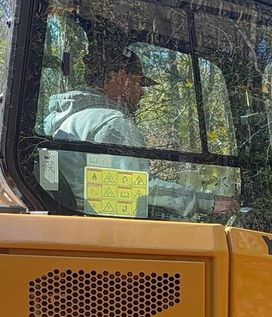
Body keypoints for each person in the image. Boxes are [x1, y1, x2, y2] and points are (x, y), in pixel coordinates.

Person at [42, 47, 236, 219]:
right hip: (104, 227)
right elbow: (137, 189)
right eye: (138, 83)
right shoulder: (112, 124)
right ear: (122, 77)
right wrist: (207, 202)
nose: (142, 93)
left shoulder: (68, 120)